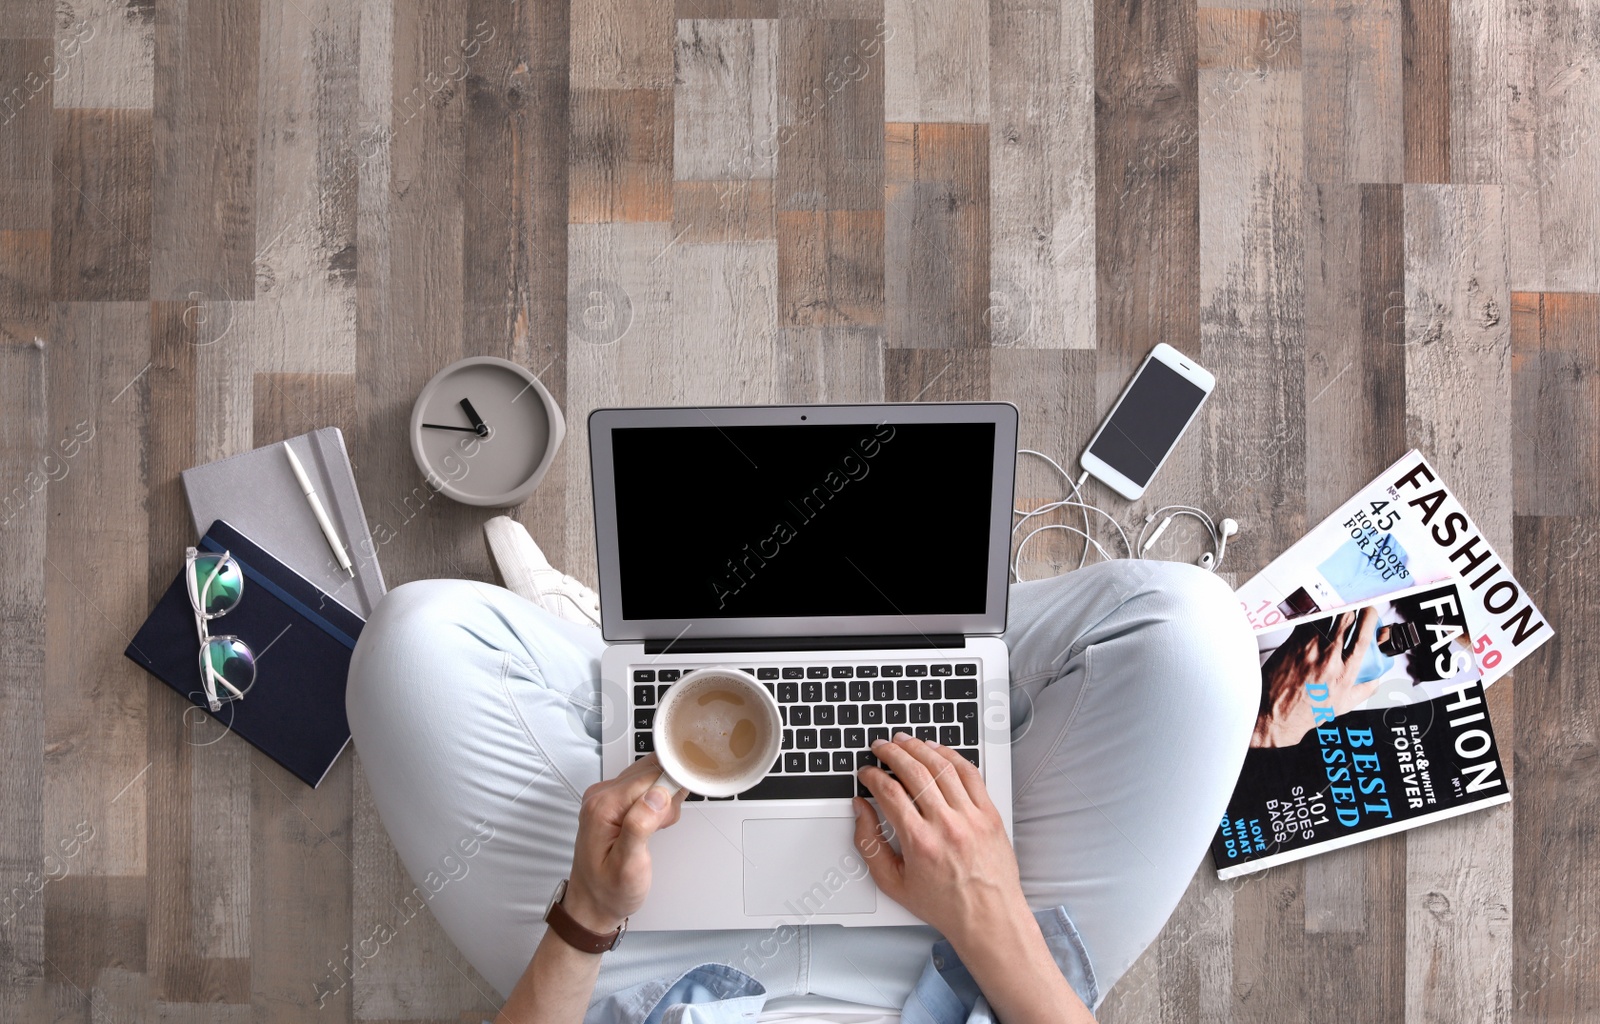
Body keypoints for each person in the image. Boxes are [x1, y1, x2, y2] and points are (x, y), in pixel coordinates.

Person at [346, 525, 1259, 1024]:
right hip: (971, 970)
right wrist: (989, 910)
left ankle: (622, 670)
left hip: (643, 978)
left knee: (412, 645)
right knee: (1196, 637)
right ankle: (917, 642)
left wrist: (585, 914)